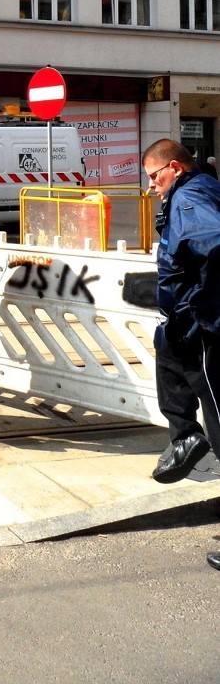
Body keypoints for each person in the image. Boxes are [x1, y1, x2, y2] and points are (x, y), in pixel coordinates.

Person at [142, 138, 220, 572]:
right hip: (193, 322)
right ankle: (185, 436)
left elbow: (213, 245)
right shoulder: (198, 191)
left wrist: (198, 308)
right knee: (167, 350)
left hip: (209, 325)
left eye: (155, 177)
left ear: (174, 167)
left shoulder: (190, 197)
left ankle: (188, 435)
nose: (152, 187)